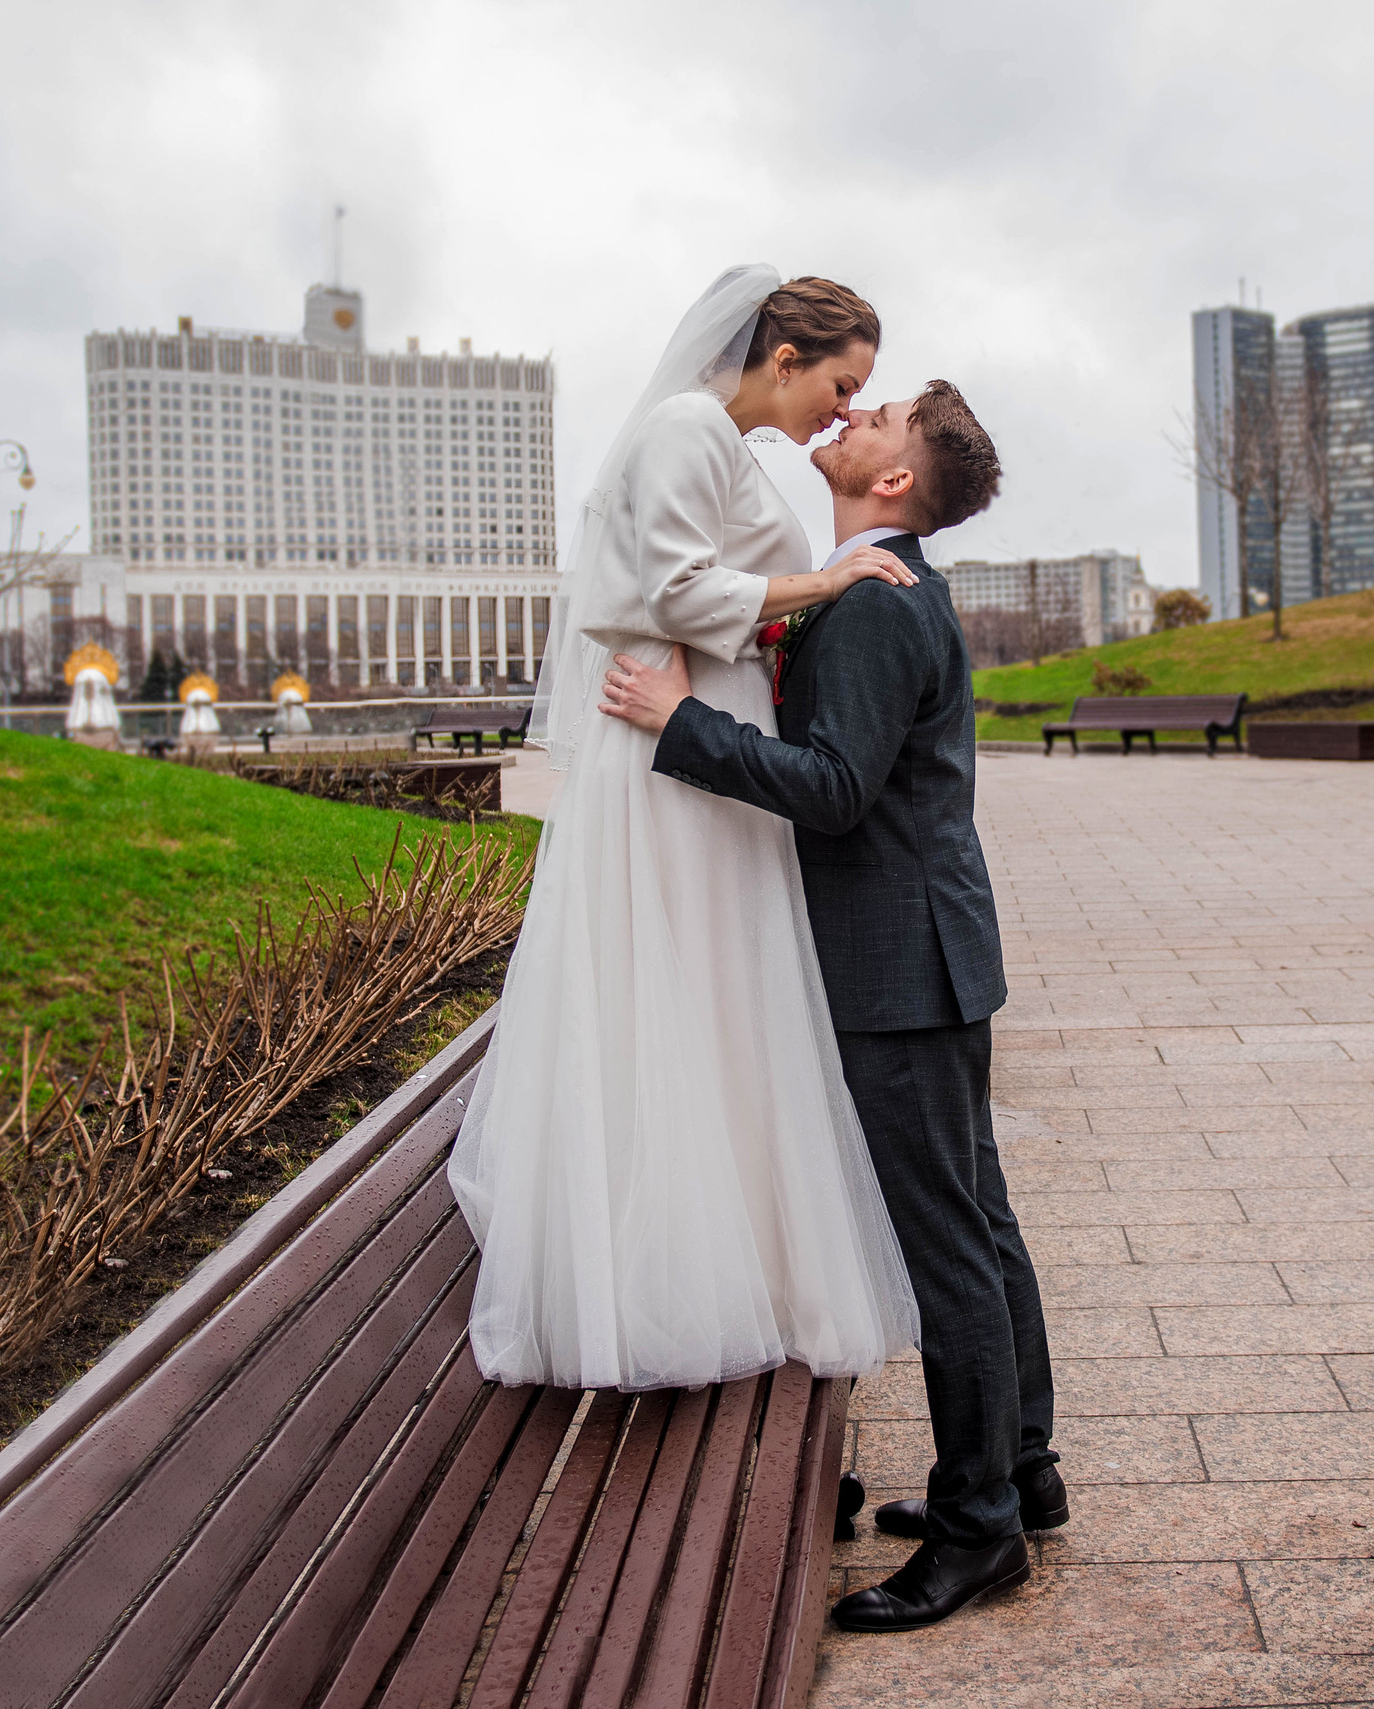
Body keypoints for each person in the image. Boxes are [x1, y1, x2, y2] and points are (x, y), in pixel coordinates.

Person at [599, 381, 1063, 1634]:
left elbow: (836, 789)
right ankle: (1022, 1470)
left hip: (893, 966)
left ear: (897, 478)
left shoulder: (869, 601)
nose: (856, 418)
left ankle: (979, 1534)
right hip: (933, 947)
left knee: (948, 1240)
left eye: (882, 417)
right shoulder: (875, 579)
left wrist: (677, 722)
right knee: (981, 1216)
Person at [448, 267, 923, 1395]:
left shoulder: (720, 443)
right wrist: (827, 580)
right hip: (671, 758)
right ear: (785, 357)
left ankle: (736, 1258)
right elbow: (670, 586)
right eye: (843, 383)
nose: (846, 411)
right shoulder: (685, 428)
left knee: (718, 992)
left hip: (699, 744)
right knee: (686, 986)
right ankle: (677, 1272)